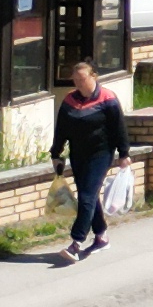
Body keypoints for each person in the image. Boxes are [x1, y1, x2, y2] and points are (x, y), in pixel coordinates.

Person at [51, 62, 129, 262]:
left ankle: (76, 243)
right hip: (78, 155)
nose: (78, 83)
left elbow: (119, 127)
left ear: (94, 76)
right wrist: (56, 153)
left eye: (82, 79)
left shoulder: (108, 98)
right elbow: (61, 129)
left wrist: (124, 153)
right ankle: (101, 237)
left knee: (86, 197)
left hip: (100, 155)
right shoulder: (69, 100)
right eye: (75, 79)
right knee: (90, 197)